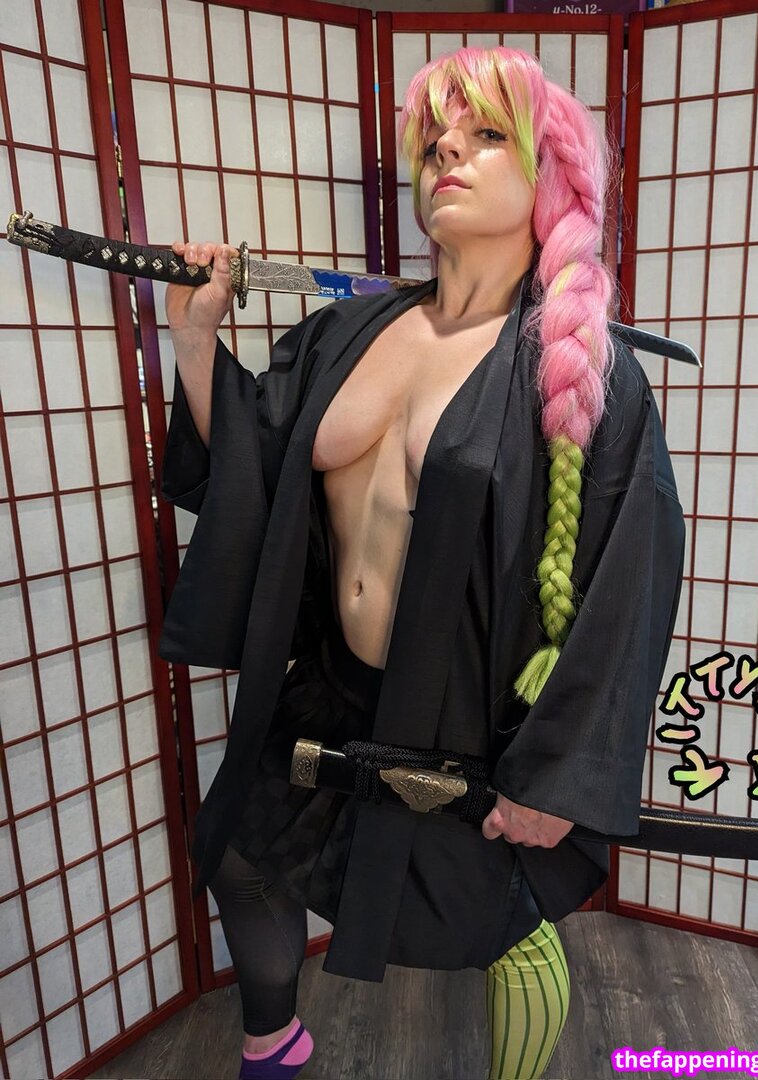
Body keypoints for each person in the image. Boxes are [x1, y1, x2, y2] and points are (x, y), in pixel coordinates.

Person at [160, 46, 685, 1080]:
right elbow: (255, 472)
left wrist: (557, 775)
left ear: (550, 175)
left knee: (505, 926)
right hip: (330, 691)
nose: (446, 150)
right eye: (435, 138)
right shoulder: (345, 331)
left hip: (469, 720)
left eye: (485, 135)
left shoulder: (578, 367)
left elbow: (629, 581)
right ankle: (273, 1045)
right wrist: (194, 344)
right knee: (239, 850)